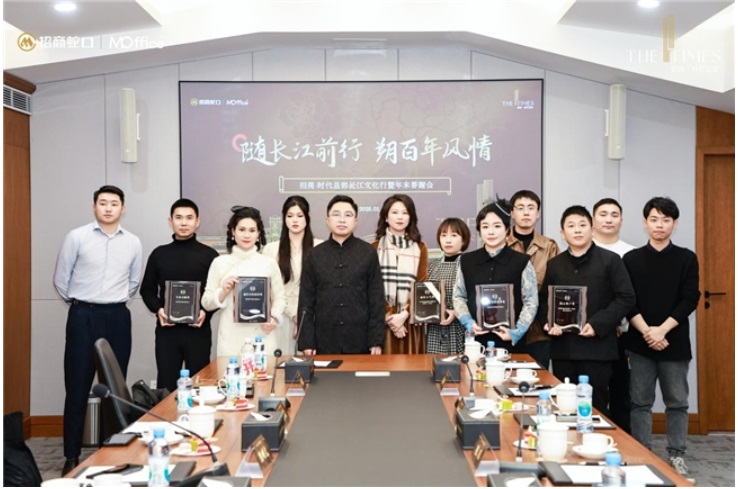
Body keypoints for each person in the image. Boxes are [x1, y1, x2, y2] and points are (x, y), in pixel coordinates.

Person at [53, 185, 143, 475]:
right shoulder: (76, 237)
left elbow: (133, 282)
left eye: (114, 203)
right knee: (77, 386)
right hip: (83, 315)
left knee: (113, 389)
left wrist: (112, 303)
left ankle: (110, 452)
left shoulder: (133, 242)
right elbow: (61, 279)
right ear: (94, 207)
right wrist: (81, 304)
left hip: (117, 316)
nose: (108, 208)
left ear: (122, 209)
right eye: (102, 203)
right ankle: (71, 455)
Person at [622, 197, 699, 476]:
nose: (659, 225)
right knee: (640, 402)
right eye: (654, 219)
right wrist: (648, 332)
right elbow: (627, 299)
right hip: (639, 342)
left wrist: (661, 330)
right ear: (645, 223)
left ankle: (677, 454)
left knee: (677, 402)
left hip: (674, 342)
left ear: (674, 224)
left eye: (666, 220)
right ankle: (643, 454)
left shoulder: (687, 258)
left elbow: (690, 299)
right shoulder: (631, 259)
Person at [538, 205, 635, 416]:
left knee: (595, 407)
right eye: (571, 226)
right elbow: (545, 299)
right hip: (563, 349)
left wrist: (597, 324)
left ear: (592, 229)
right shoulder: (555, 264)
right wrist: (549, 323)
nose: (577, 230)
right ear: (562, 233)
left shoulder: (610, 260)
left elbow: (626, 298)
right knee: (565, 406)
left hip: (597, 348)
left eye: (582, 225)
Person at [140, 198, 219, 392]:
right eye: (179, 218)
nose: (184, 223)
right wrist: (158, 310)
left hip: (198, 331)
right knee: (166, 386)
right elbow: (147, 289)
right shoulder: (159, 254)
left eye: (189, 218)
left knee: (200, 386)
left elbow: (217, 293)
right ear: (170, 221)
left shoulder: (210, 256)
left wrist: (206, 312)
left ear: (197, 221)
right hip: (167, 332)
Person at [297, 195, 385, 354]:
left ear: (355, 221)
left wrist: (376, 340)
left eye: (348, 215)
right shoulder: (315, 255)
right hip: (324, 341)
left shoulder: (368, 253)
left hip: (361, 341)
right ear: (327, 220)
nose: (342, 220)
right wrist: (307, 342)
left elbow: (376, 300)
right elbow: (306, 302)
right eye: (336, 214)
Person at [453, 200, 538, 355]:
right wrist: (469, 323)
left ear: (507, 229)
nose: (491, 232)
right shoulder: (467, 261)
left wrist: (517, 331)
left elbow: (531, 300)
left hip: (511, 344)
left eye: (497, 226)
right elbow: (458, 296)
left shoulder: (522, 261)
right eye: (485, 227)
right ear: (479, 231)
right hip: (476, 343)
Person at [201, 206, 286, 357]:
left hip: (263, 337)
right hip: (230, 340)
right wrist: (223, 291)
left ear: (258, 234)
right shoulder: (219, 263)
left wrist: (273, 317)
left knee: (264, 372)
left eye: (252, 230)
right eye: (242, 229)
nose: (247, 235)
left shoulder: (269, 263)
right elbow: (206, 303)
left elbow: (280, 297)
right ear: (233, 231)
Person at [592, 197, 636, 433]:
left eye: (614, 215)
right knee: (594, 392)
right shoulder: (583, 249)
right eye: (603, 214)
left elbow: (631, 296)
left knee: (621, 393)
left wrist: (619, 322)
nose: (608, 219)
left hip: (622, 335)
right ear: (593, 220)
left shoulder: (631, 253)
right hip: (589, 335)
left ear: (621, 220)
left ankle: (623, 443)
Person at [262, 196, 323, 354]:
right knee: (278, 363)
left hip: (311, 319)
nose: (295, 220)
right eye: (290, 216)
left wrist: (303, 318)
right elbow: (268, 289)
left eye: (299, 215)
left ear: (308, 217)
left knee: (309, 365)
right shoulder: (271, 249)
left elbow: (323, 288)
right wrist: (293, 314)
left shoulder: (320, 247)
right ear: (284, 218)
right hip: (279, 318)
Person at [507, 190, 560, 367]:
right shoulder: (501, 243)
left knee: (539, 378)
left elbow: (557, 286)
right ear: (512, 213)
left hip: (539, 329)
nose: (526, 212)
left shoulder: (549, 246)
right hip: (507, 325)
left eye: (531, 208)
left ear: (538, 214)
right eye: (520, 208)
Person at [372, 194, 429, 354]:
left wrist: (404, 314)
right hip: (382, 321)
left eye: (405, 213)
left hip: (410, 322)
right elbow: (372, 288)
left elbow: (422, 284)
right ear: (386, 217)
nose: (400, 217)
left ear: (411, 218)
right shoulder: (373, 248)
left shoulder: (420, 247)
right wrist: (391, 318)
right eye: (395, 212)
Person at [425, 218, 471, 355]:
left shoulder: (470, 264)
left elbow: (476, 298)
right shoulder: (431, 266)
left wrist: (456, 312)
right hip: (434, 330)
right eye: (444, 235)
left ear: (464, 240)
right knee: (432, 366)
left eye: (454, 235)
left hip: (460, 329)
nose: (448, 240)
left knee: (459, 366)